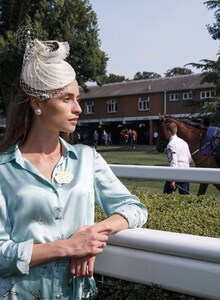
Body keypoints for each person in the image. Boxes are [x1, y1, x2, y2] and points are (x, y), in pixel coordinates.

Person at [0, 28, 148, 299]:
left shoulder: (87, 159)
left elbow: (134, 208)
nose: (78, 108)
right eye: (66, 98)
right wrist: (69, 247)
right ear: (37, 104)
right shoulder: (4, 170)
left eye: (77, 98)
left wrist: (93, 233)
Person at [163, 122, 192, 195]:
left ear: (169, 132)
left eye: (165, 132)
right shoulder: (184, 142)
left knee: (166, 196)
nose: (165, 134)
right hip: (186, 172)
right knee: (185, 197)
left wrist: (173, 179)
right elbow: (189, 159)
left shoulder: (171, 144)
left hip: (176, 173)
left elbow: (173, 162)